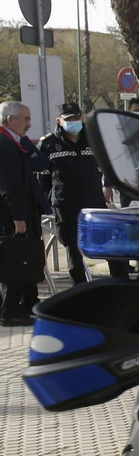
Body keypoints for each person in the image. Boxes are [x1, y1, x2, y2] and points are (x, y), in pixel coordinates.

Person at [40, 102, 129, 284]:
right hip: (66, 205)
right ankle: (80, 289)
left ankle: (120, 283)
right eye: (69, 119)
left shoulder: (93, 140)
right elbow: (44, 178)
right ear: (59, 121)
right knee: (73, 250)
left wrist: (107, 186)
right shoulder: (49, 144)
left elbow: (107, 165)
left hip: (93, 202)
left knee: (110, 246)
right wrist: (52, 198)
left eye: (77, 117)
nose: (74, 121)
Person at [0, 101, 49, 325]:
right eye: (26, 119)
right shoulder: (4, 144)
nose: (29, 124)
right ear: (11, 119)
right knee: (14, 262)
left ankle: (28, 304)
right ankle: (10, 310)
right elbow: (9, 185)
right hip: (12, 215)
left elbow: (40, 161)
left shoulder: (16, 142)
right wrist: (19, 218)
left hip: (25, 210)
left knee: (25, 260)